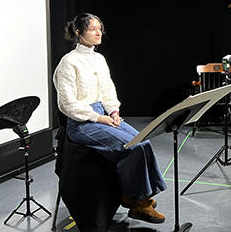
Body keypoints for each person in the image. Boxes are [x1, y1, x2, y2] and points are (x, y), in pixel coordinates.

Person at [53, 13, 167, 224]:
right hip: (81, 122)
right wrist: (98, 118)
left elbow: (107, 90)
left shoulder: (99, 58)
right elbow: (67, 104)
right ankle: (138, 203)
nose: (99, 33)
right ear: (78, 33)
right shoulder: (68, 62)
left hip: (102, 115)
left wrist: (113, 111)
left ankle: (134, 195)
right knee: (132, 148)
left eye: (100, 29)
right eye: (92, 29)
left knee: (143, 140)